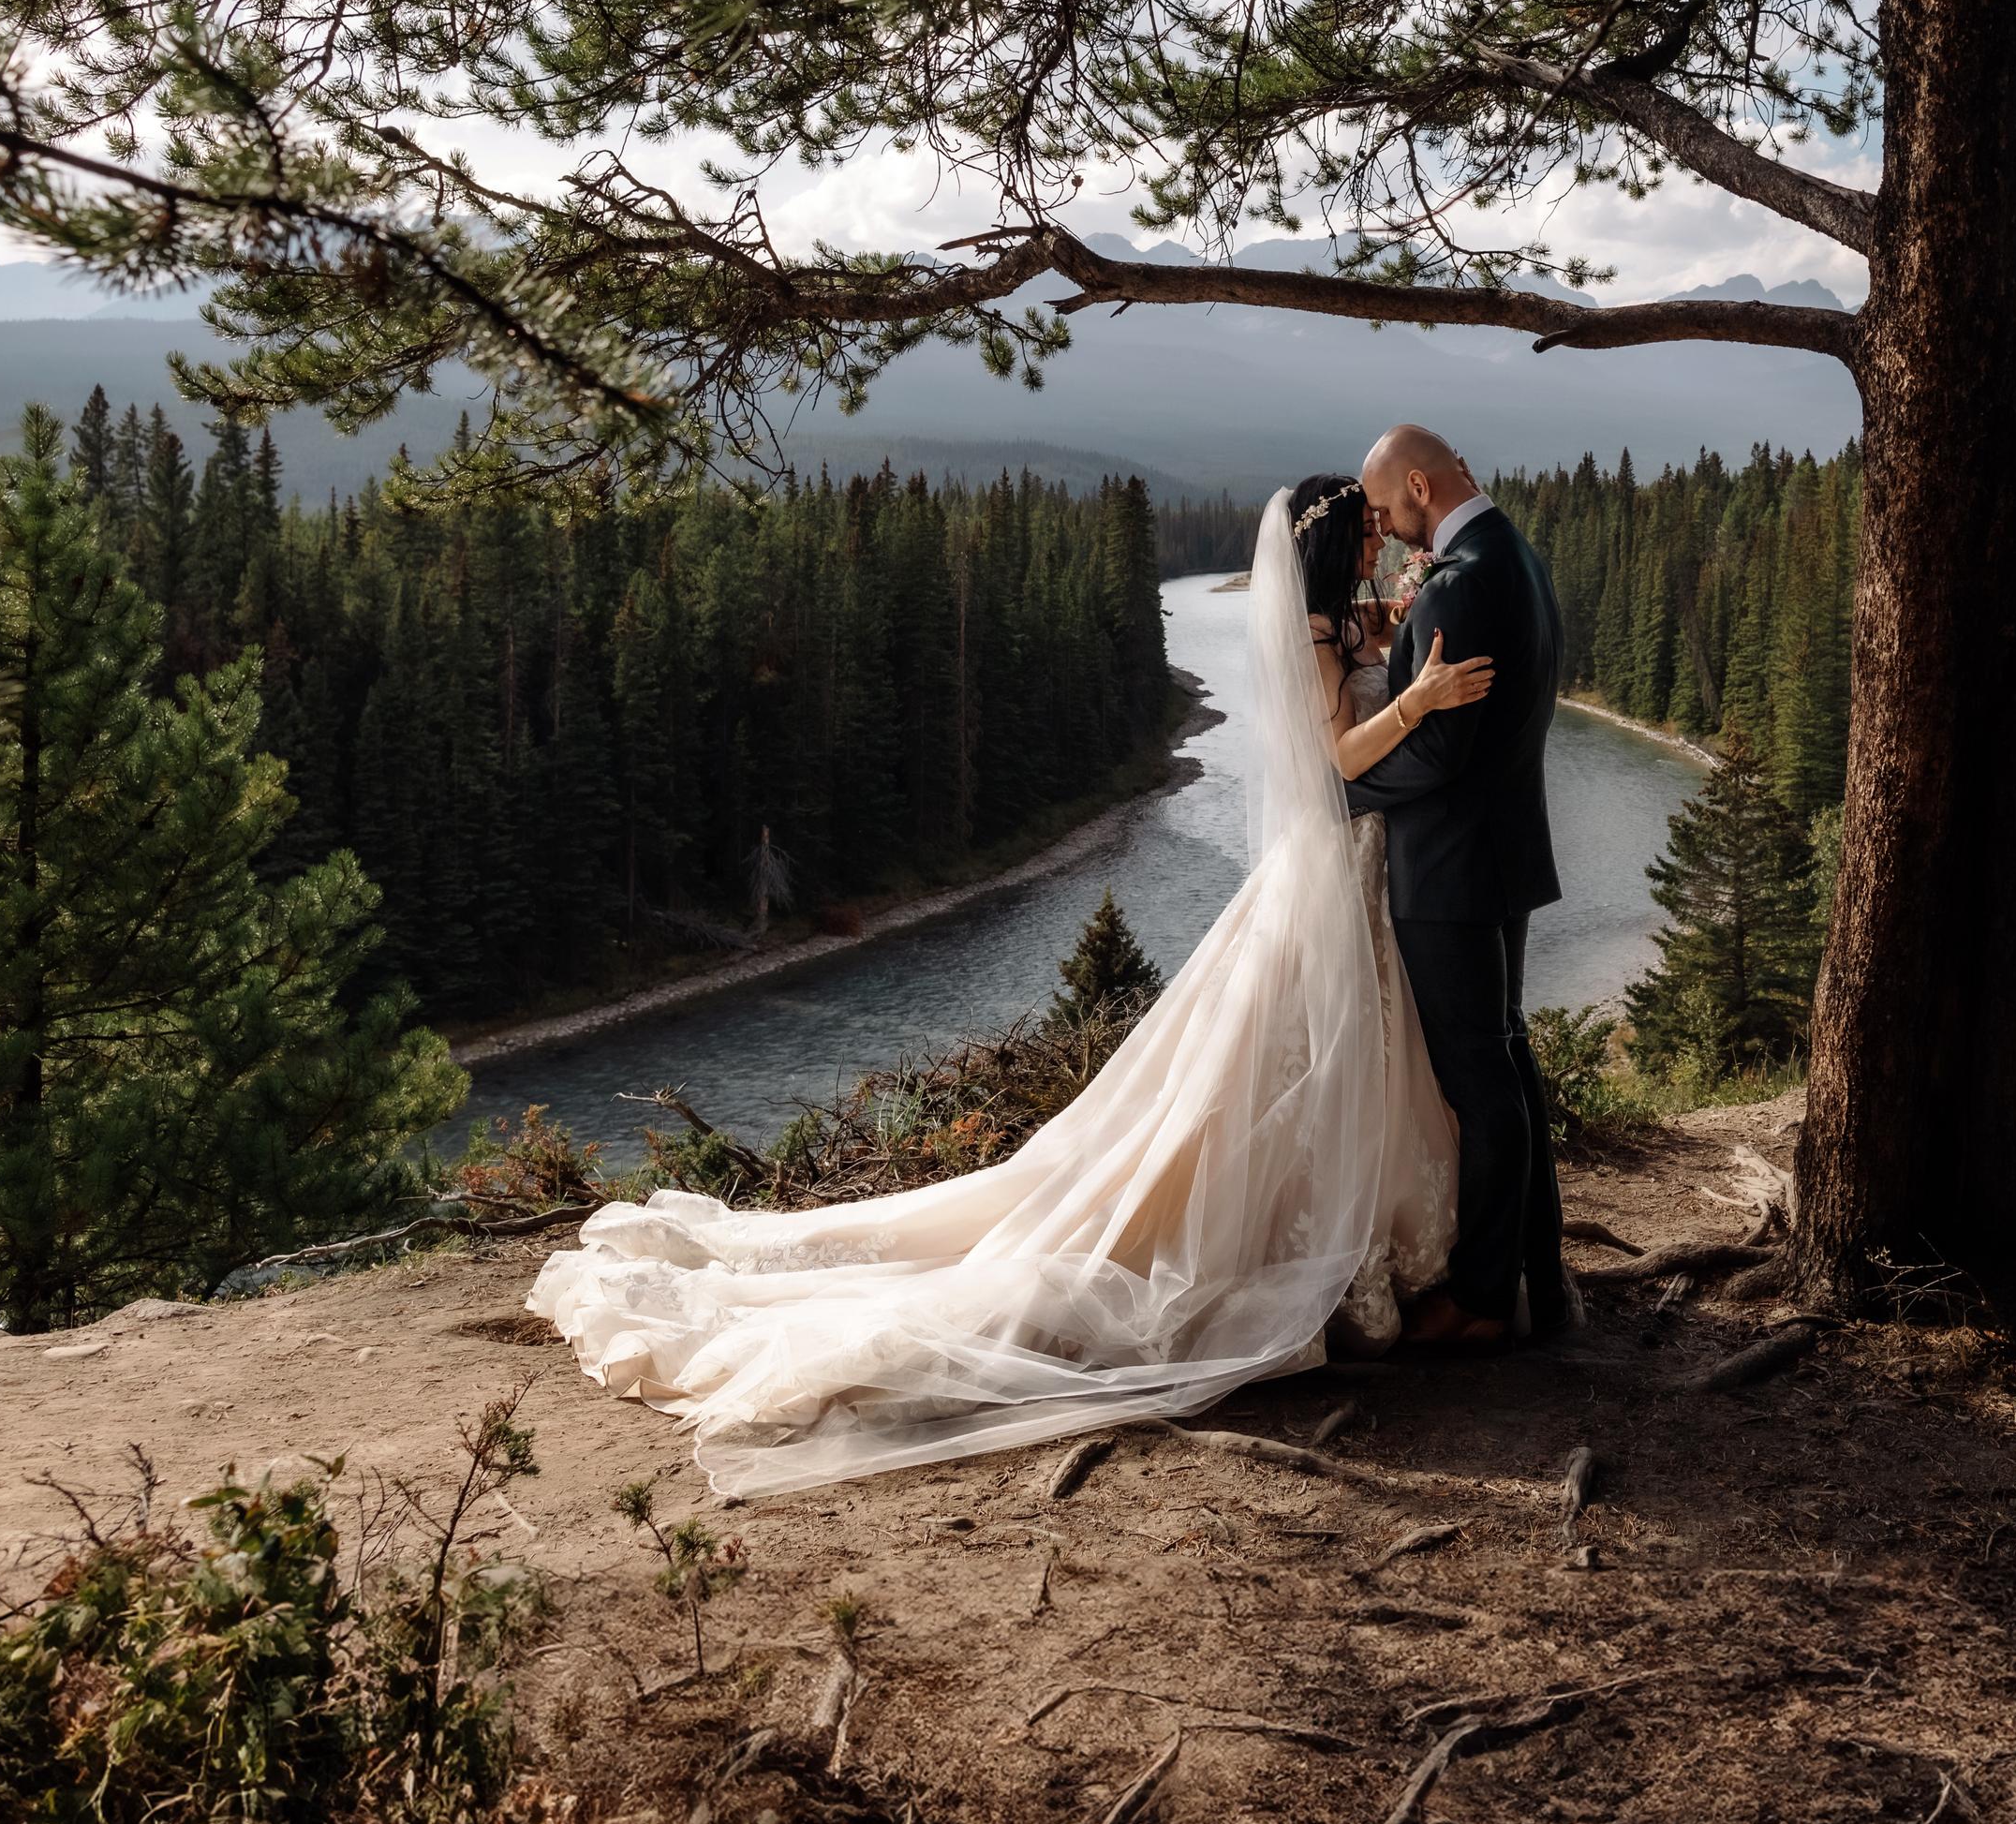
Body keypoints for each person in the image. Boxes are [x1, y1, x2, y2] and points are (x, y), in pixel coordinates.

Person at [525, 475, 1494, 1499]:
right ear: (1339, 544)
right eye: (1371, 535)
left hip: (1358, 870)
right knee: (1294, 1060)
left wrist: (1393, 625)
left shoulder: (1338, 617)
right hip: (1335, 864)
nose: (1385, 547)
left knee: (1338, 1058)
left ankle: (1365, 1243)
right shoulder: (1308, 628)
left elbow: (1358, 667)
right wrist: (1421, 696)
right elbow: (1339, 751)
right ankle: (1306, 1252)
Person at [1344, 424, 1572, 1352]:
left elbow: (1439, 751)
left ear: (1418, 485)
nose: (1392, 531)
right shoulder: (1509, 553)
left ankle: (1481, 1300)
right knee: (1509, 1065)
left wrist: (1346, 790)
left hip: (1449, 870)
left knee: (1480, 1083)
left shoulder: (1463, 580)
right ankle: (1536, 1272)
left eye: (1392, 512)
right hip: (1502, 853)